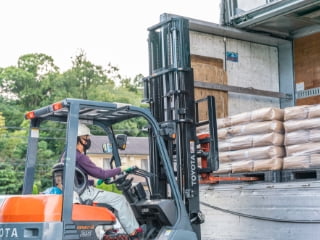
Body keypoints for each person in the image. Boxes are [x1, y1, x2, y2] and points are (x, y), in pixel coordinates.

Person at [62, 123, 144, 239]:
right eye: (87, 137)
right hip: (84, 193)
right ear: (80, 139)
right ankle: (134, 232)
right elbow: (101, 173)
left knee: (108, 201)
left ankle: (109, 232)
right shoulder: (80, 157)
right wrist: (121, 168)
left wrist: (94, 183)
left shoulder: (66, 155)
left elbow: (76, 177)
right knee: (119, 199)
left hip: (76, 192)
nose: (88, 140)